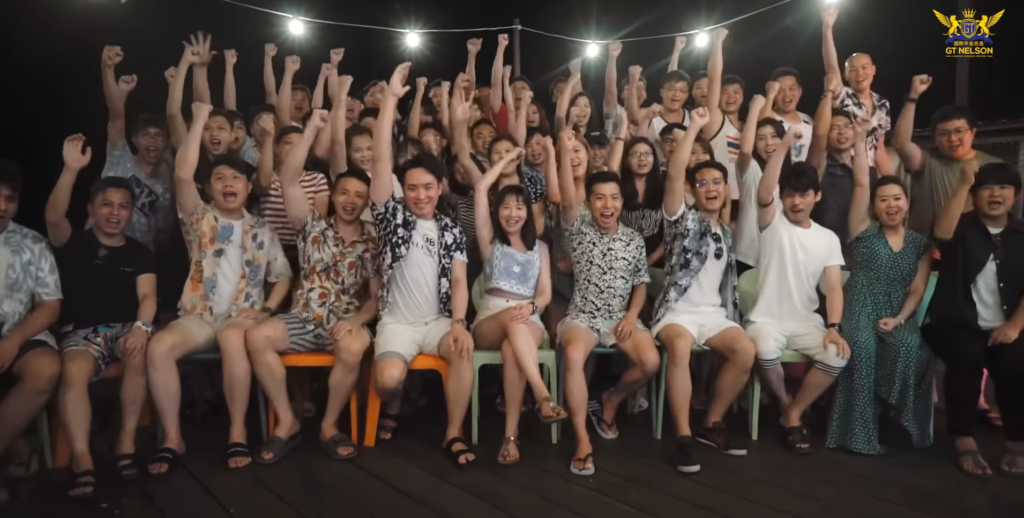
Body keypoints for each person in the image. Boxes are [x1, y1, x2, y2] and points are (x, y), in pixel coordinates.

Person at [146, 103, 292, 475]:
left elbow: (282, 275)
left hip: (240, 318)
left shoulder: (262, 229)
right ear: (209, 188)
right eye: (220, 178)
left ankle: (237, 430)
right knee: (159, 346)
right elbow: (182, 173)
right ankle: (172, 437)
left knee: (232, 338)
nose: (228, 183)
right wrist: (198, 120)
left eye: (235, 178)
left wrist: (267, 310)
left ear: (247, 187)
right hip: (199, 316)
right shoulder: (199, 218)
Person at [245, 111, 380, 463]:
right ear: (333, 195)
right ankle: (286, 419)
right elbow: (289, 178)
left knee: (355, 346)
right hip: (303, 318)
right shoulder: (312, 226)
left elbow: (375, 298)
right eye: (344, 192)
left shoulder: (372, 241)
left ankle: (329, 425)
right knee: (256, 337)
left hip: (344, 322)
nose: (350, 200)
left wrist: (356, 321)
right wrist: (312, 130)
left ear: (366, 202)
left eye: (359, 195)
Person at [368, 63, 477, 467]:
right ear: (404, 189)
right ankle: (394, 405)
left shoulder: (451, 229)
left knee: (462, 351)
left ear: (440, 187)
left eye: (428, 187)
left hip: (437, 322)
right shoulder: (392, 216)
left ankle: (454, 433)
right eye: (412, 187)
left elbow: (460, 280)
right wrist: (391, 101)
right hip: (397, 322)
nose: (420, 195)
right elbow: (381, 160)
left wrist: (459, 323)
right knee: (387, 381)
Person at [45, 135, 156, 498]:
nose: (114, 213)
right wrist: (70, 169)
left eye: (123, 207)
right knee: (74, 372)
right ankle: (82, 459)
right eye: (106, 204)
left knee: (140, 354)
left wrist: (141, 328)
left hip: (126, 330)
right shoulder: (73, 242)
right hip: (82, 333)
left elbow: (148, 296)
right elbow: (53, 216)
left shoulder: (139, 252)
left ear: (130, 212)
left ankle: (125, 445)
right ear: (92, 208)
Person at [653, 107, 755, 473]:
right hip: (676, 313)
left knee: (745, 351)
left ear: (726, 190)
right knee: (680, 347)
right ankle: (683, 436)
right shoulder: (681, 219)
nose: (711, 188)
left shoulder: (725, 231)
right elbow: (675, 174)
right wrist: (694, 126)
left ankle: (711, 423)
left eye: (717, 183)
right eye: (703, 184)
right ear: (693, 191)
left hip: (712, 315)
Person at [825, 118, 933, 455]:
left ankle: (890, 414)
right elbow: (861, 182)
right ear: (874, 206)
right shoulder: (862, 230)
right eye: (883, 200)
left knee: (910, 347)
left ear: (907, 203)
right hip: (859, 303)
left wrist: (899, 318)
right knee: (862, 349)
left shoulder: (918, 243)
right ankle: (858, 435)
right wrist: (860, 140)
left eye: (897, 198)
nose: (891, 205)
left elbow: (917, 289)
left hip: (897, 310)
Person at [556, 130, 660, 476]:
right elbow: (567, 199)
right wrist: (564, 150)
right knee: (574, 356)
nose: (607, 205)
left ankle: (612, 399)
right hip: (583, 317)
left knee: (651, 362)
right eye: (599, 198)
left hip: (620, 317)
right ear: (588, 203)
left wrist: (632, 316)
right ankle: (582, 439)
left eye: (614, 198)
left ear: (621, 202)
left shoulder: (633, 240)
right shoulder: (577, 228)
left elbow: (641, 284)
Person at [747, 126, 850, 454]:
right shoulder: (772, 222)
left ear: (816, 196)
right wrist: (784, 145)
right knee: (764, 352)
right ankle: (784, 402)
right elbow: (765, 192)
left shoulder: (827, 238)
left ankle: (793, 413)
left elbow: (833, 288)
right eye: (790, 194)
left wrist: (834, 327)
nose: (796, 201)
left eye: (804, 194)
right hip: (766, 320)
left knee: (837, 354)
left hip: (806, 321)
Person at [923, 162, 1024, 478]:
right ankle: (964, 438)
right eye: (986, 188)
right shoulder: (961, 225)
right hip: (955, 322)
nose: (995, 194)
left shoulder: (1021, 233)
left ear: (1016, 194)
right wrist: (963, 183)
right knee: (967, 358)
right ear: (975, 194)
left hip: (1005, 324)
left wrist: (1015, 325)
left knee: (1015, 365)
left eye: (1004, 188)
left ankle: (1016, 441)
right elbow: (941, 233)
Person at [471, 147, 567, 464]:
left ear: (528, 212)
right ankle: (542, 395)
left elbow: (545, 294)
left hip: (528, 319)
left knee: (514, 344)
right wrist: (504, 162)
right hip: (490, 319)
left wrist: (532, 309)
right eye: (506, 207)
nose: (512, 213)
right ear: (497, 212)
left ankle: (510, 438)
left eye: (519, 207)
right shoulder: (490, 241)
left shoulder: (540, 247)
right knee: (513, 320)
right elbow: (481, 188)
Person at [0, 160, 62, 494]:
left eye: (9, 199)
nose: (2, 206)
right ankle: (18, 450)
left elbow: (50, 306)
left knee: (45, 368)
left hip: (19, 332)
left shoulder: (33, 243)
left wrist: (13, 340)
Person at [892, 75, 1006, 235]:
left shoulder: (994, 166)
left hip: (978, 245)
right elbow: (901, 143)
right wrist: (913, 96)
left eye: (959, 131)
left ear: (973, 132)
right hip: (927, 246)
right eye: (943, 133)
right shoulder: (927, 163)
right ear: (935, 137)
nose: (952, 139)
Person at [100, 45, 174, 252]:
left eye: (158, 136)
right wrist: (108, 68)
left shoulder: (164, 190)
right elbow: (116, 115)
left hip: (137, 259)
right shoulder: (120, 156)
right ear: (134, 140)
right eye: (146, 135)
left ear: (166, 144)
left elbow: (162, 234)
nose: (152, 141)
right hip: (99, 249)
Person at [822, 5, 891, 174]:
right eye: (853, 70)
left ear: (873, 70)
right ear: (846, 75)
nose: (860, 73)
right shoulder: (842, 96)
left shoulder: (883, 103)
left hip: (871, 174)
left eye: (864, 67)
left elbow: (879, 147)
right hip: (843, 172)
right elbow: (831, 69)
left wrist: (890, 179)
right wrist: (827, 28)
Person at [806, 75, 865, 249]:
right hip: (824, 250)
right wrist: (829, 93)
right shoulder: (819, 168)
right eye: (834, 128)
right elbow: (819, 135)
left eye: (847, 127)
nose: (842, 132)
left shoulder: (866, 172)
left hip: (858, 253)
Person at [733, 95, 779, 276]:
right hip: (747, 257)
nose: (769, 143)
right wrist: (754, 109)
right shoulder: (751, 169)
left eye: (774, 137)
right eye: (761, 138)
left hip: (777, 258)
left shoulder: (790, 175)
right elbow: (744, 150)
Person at [703, 29, 742, 204]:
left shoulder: (749, 127)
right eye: (725, 92)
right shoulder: (715, 121)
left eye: (736, 92)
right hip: (720, 199)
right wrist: (717, 42)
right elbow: (713, 79)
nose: (731, 96)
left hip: (747, 199)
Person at [760, 68, 814, 162]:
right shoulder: (769, 115)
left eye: (791, 89)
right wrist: (770, 96)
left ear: (800, 91)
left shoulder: (808, 119)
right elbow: (761, 127)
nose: (786, 94)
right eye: (779, 91)